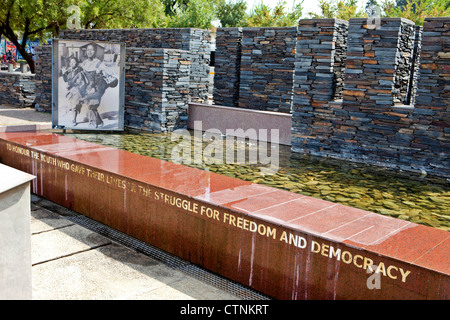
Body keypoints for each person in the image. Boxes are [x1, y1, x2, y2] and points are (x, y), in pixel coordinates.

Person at [62, 56, 87, 126]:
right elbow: (65, 80)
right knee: (71, 106)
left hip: (77, 90)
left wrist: (73, 84)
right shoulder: (69, 70)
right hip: (70, 90)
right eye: (71, 62)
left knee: (74, 106)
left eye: (74, 62)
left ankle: (74, 120)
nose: (72, 64)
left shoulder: (80, 70)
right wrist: (64, 73)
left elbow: (81, 82)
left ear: (77, 63)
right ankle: (77, 110)